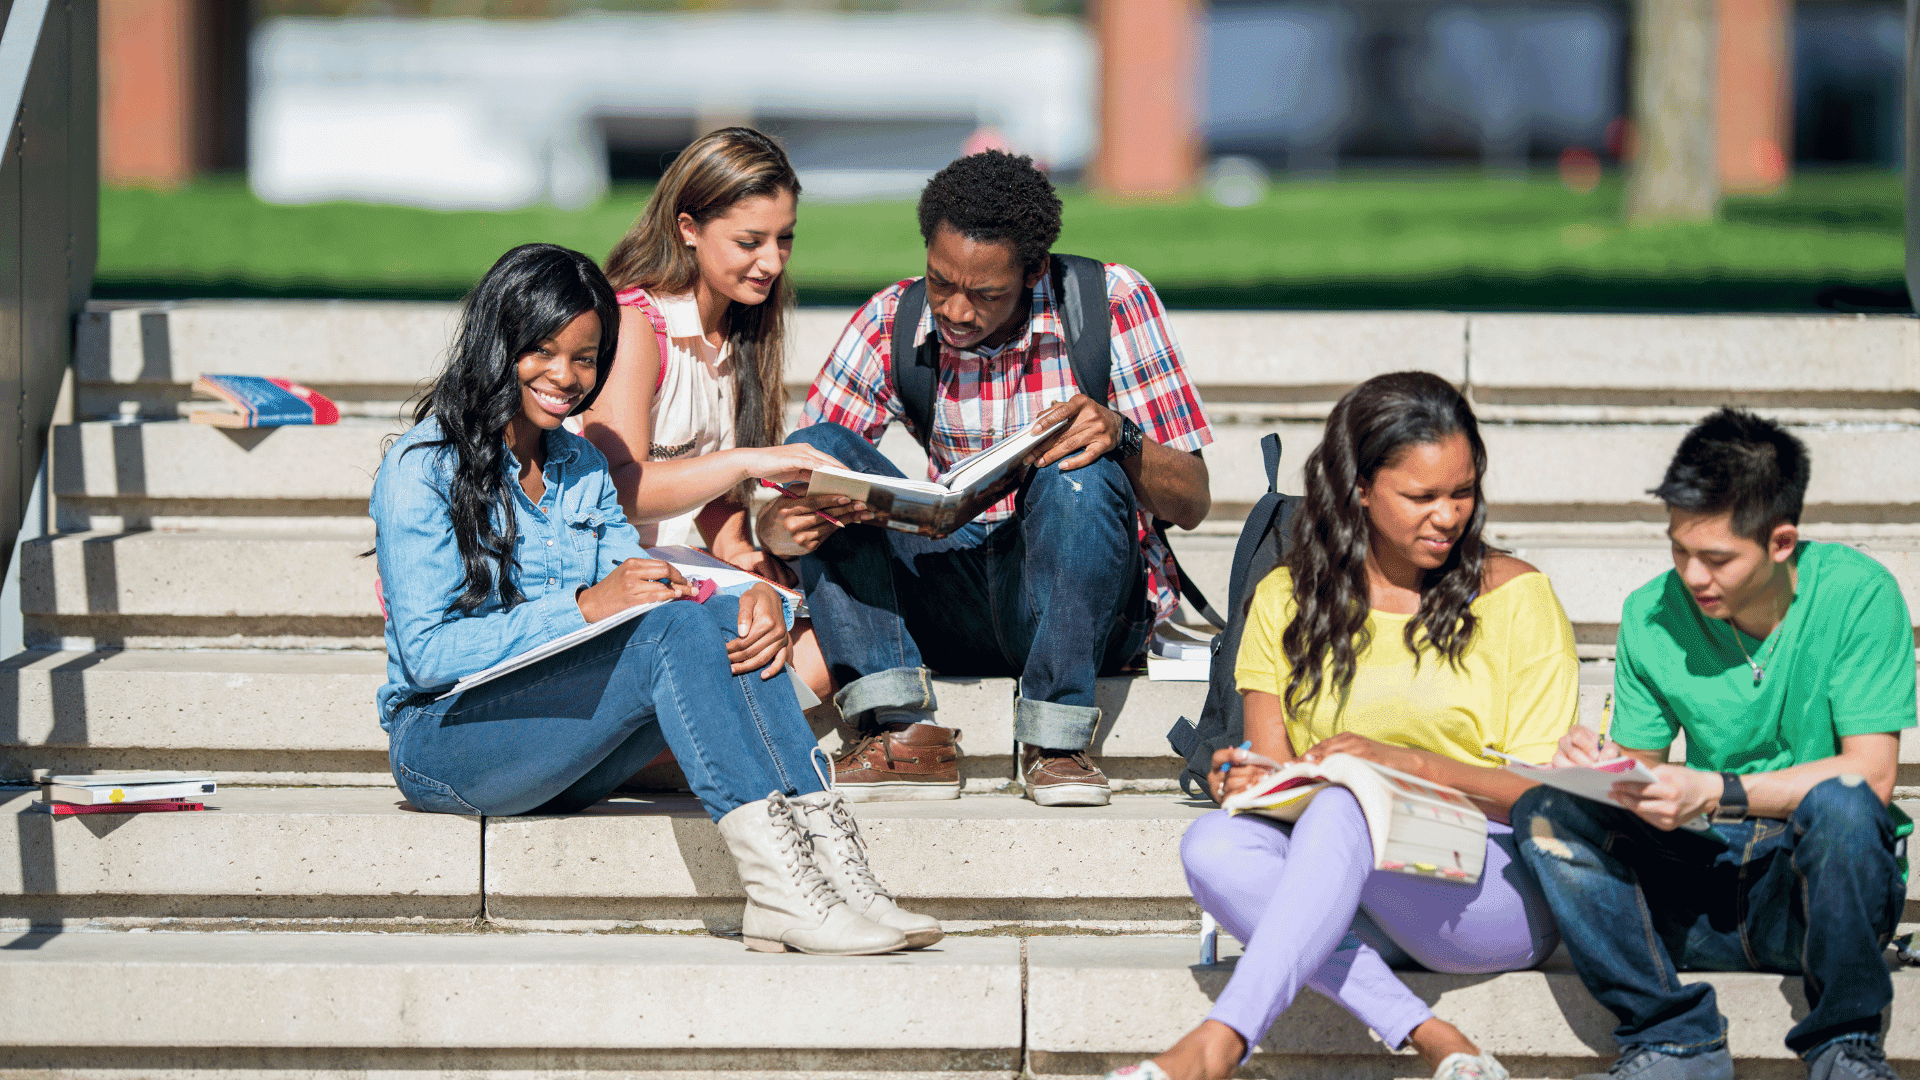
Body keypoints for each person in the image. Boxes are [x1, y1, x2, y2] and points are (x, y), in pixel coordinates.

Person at [371, 242, 940, 955]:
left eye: (585, 358)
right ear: (498, 343)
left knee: (717, 619)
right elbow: (427, 658)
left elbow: (647, 585)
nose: (566, 377)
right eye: (543, 351)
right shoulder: (423, 468)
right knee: (672, 633)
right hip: (447, 741)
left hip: (561, 741)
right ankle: (782, 890)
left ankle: (833, 873)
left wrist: (754, 599)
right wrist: (581, 608)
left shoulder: (578, 462)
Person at [1107, 372, 1575, 1080]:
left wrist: (1395, 766)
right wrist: (1251, 780)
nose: (1448, 516)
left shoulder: (1517, 597)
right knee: (1213, 843)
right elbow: (1282, 775)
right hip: (1352, 888)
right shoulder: (1284, 599)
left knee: (1343, 801)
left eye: (1462, 492)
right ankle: (1428, 1031)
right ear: (1358, 489)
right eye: (1421, 497)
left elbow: (1542, 800)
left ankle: (1219, 1041)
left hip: (1490, 889)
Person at [759, 149, 1214, 806]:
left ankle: (1055, 745)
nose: (958, 311)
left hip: (1078, 596)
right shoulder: (894, 319)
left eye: (986, 294)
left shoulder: (1110, 302)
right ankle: (898, 732)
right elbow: (799, 480)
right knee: (823, 453)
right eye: (941, 282)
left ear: (1033, 272)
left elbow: (1195, 500)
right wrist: (782, 522)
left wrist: (1124, 437)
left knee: (1075, 471)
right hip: (950, 595)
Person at [1511, 409, 1914, 1080]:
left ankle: (1845, 1046)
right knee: (1546, 811)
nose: (1692, 576)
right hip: (1702, 889)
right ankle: (1672, 1041)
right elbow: (1640, 780)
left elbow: (1870, 777)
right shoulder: (1652, 613)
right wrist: (1597, 769)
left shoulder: (1857, 595)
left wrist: (1719, 790)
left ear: (1781, 542)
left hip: (1814, 897)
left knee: (1843, 806)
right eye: (1678, 549)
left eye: (1716, 558)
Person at [579, 127, 838, 702]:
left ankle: (683, 741)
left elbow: (711, 494)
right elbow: (620, 491)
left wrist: (743, 553)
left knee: (831, 643)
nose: (772, 262)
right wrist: (748, 461)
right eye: (750, 242)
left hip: (688, 571)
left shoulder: (742, 329)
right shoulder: (637, 325)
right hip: (616, 579)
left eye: (784, 239)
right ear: (689, 229)